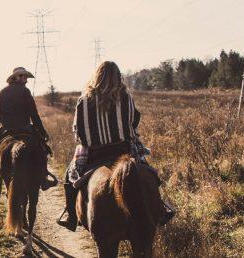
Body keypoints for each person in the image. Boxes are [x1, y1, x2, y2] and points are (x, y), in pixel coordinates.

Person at [56, 61, 174, 231]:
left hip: (94, 153)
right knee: (148, 173)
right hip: (124, 150)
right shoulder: (126, 97)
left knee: (70, 176)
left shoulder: (84, 100)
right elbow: (134, 122)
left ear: (97, 76)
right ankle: (160, 208)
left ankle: (71, 216)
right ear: (118, 77)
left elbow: (78, 132)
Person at [0, 67, 57, 196]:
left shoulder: (2, 92)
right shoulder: (25, 91)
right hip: (25, 128)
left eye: (26, 77)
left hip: (7, 129)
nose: (25, 79)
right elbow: (34, 114)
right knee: (42, 147)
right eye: (22, 76)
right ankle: (44, 177)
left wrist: (6, 122)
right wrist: (42, 131)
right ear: (14, 78)